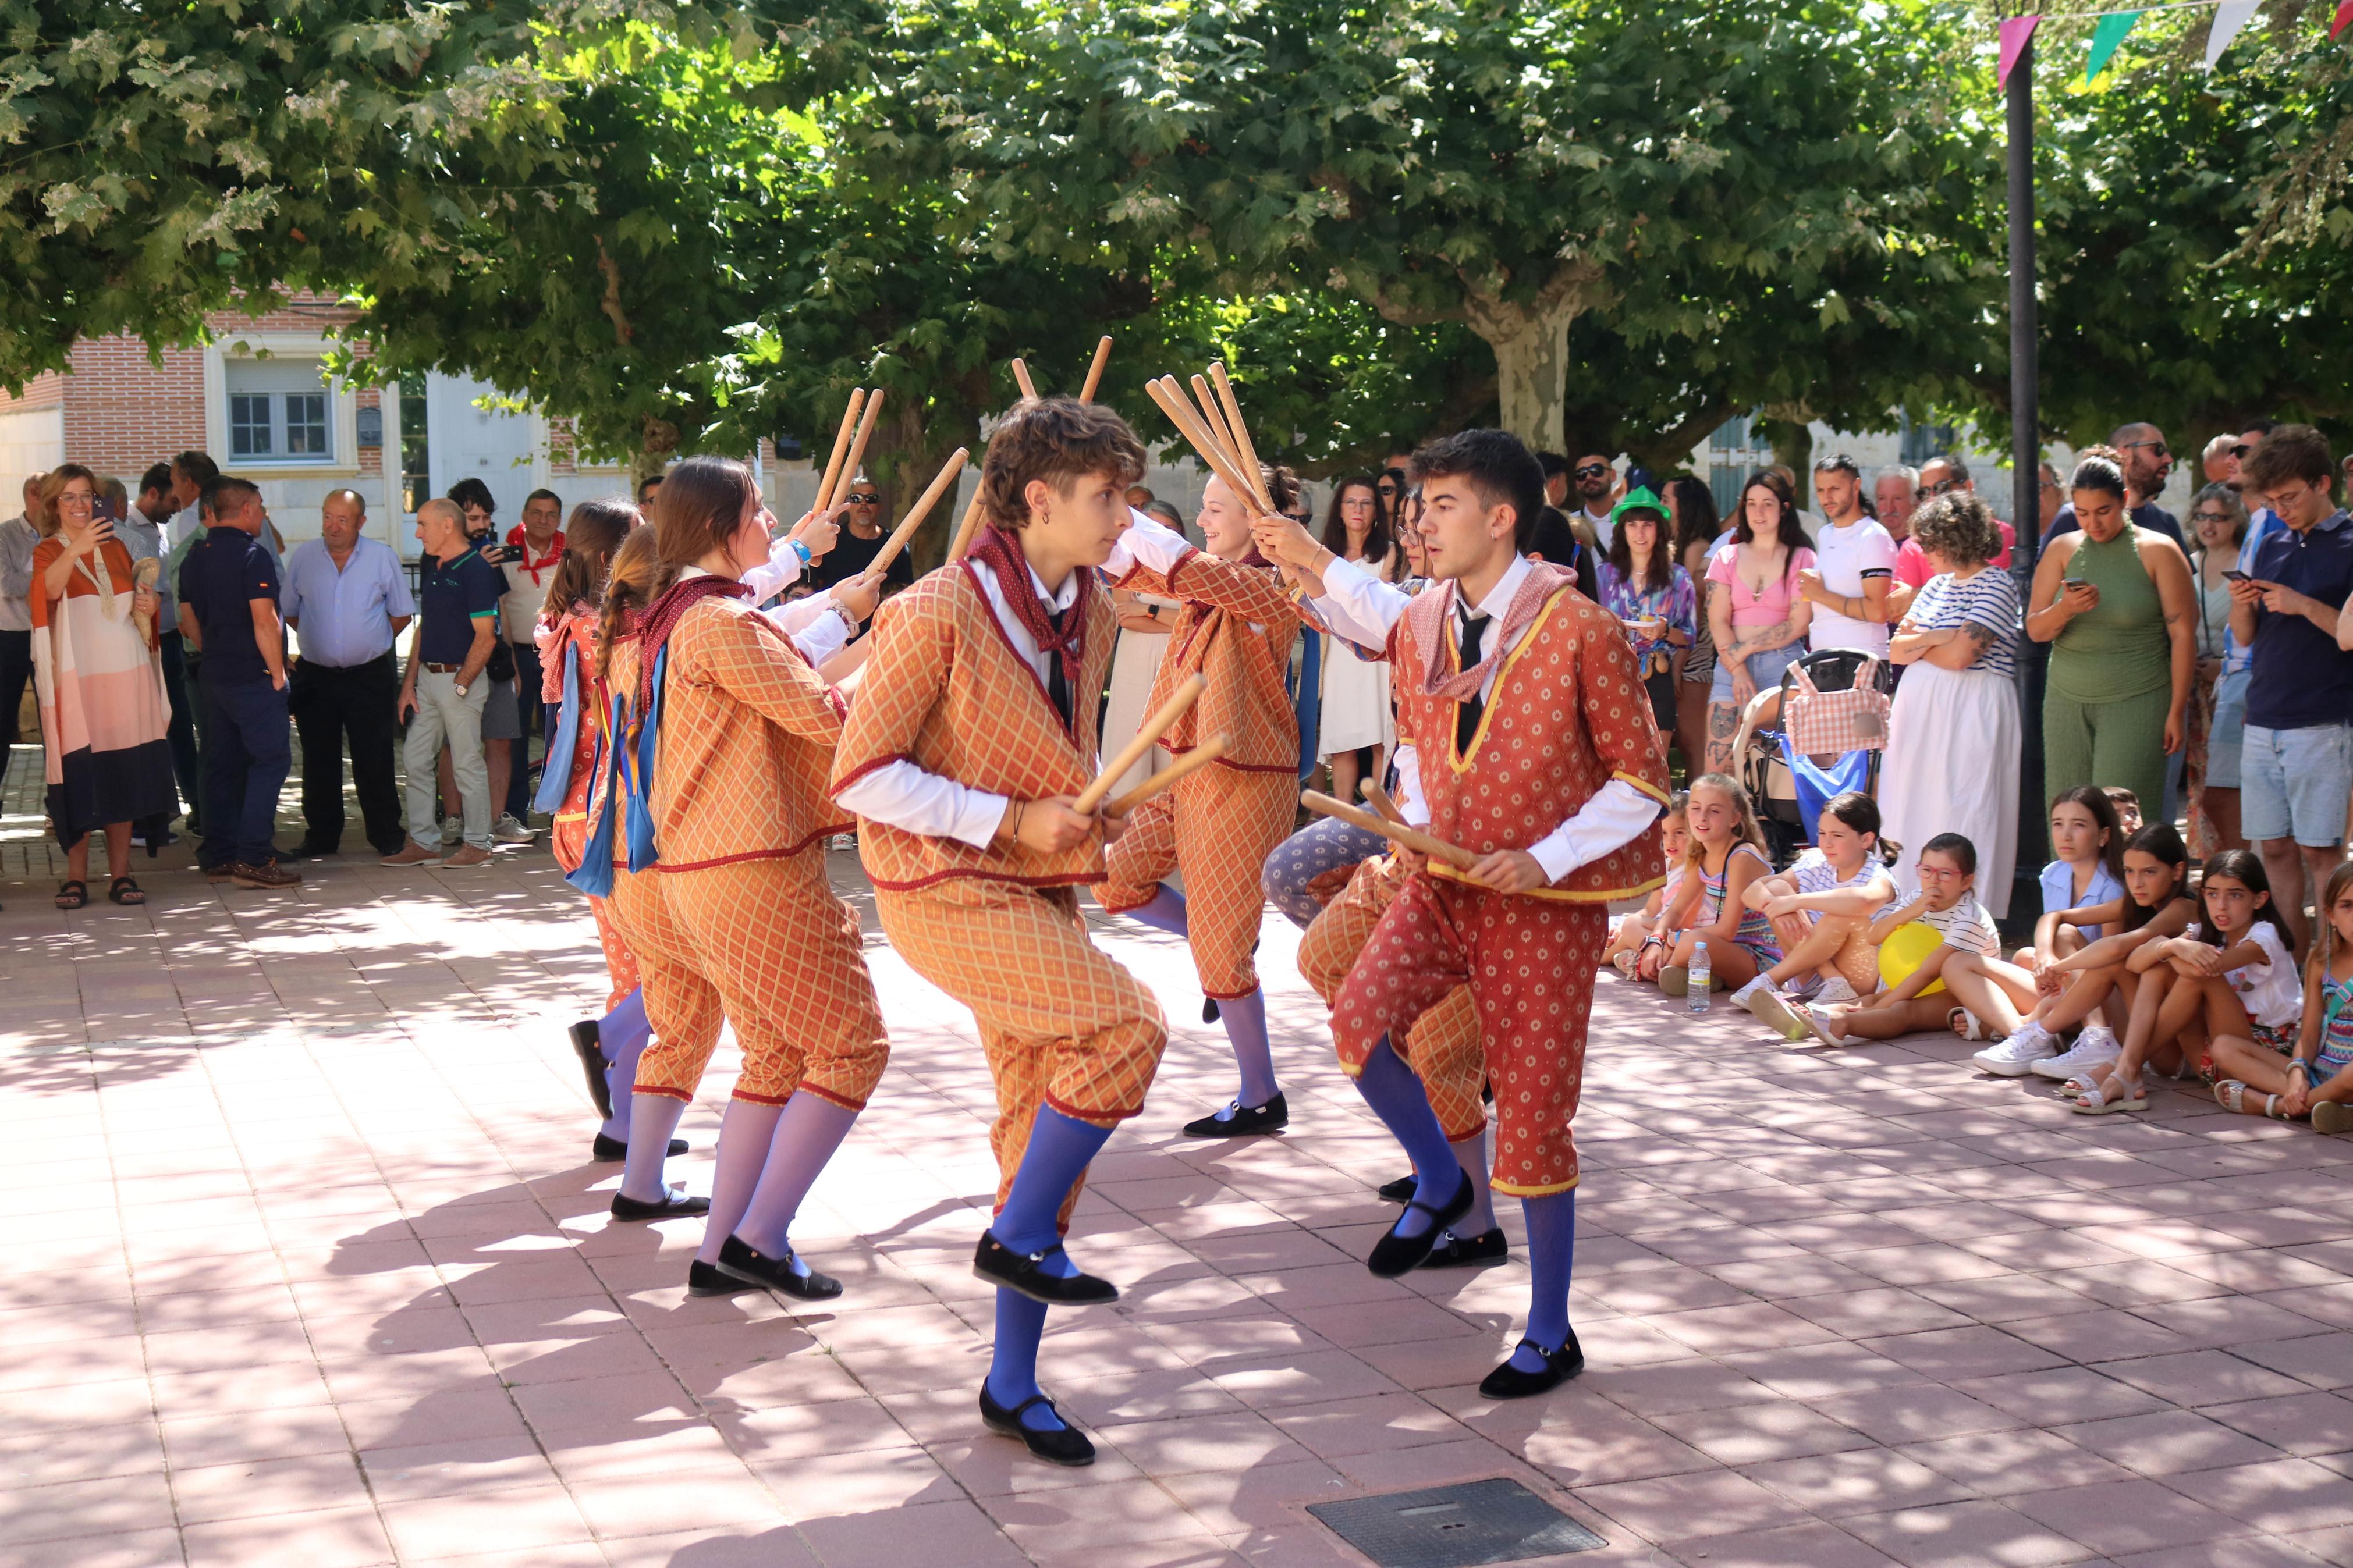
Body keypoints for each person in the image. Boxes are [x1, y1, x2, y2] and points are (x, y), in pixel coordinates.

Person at [1254, 426, 1670, 1401]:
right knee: (1356, 1022)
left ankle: (1549, 1330)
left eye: (1440, 506)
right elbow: (1391, 676)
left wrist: (1545, 855)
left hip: (1543, 905)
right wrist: (1425, 817)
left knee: (1532, 1120)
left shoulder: (1582, 631)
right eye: (1418, 505)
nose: (1420, 522)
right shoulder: (1425, 618)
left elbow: (1641, 780)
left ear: (1499, 518)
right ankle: (1441, 1180)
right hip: (1442, 882)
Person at [830, 396, 1167, 1467]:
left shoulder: (1091, 606)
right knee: (1126, 1030)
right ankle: (1016, 1236)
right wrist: (1013, 818)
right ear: (1038, 500)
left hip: (1037, 880)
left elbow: (1037, 745)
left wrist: (1081, 800)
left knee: (1036, 1129)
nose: (1123, 518)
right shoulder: (932, 609)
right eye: (1107, 497)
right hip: (940, 884)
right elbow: (863, 778)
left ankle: (1012, 1382)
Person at [592, 457, 889, 1305]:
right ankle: (759, 1235)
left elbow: (786, 675)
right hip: (748, 866)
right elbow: (827, 717)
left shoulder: (669, 620)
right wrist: (896, 659)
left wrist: (848, 627)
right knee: (851, 1045)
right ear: (724, 527)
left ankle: (723, 1244)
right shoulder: (716, 621)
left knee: (776, 1051)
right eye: (759, 513)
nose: (770, 526)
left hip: (700, 869)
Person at [1095, 471, 1303, 1137]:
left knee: (1221, 956)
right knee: (1113, 877)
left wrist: (1122, 515)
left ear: (1256, 519)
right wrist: (1082, 514)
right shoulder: (1207, 580)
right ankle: (1218, 939)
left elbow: (1182, 566)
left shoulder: (1275, 585)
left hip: (1242, 777)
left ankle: (1259, 1093)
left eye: (1215, 508)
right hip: (1187, 769)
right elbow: (1134, 566)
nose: (1203, 517)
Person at [2224, 425, 2353, 952]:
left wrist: (2300, 604)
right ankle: (2291, 970)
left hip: (2322, 720)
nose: (2280, 509)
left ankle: (2335, 970)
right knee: (2272, 850)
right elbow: (2247, 633)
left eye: (2290, 497)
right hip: (2263, 715)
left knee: (2322, 853)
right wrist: (2240, 598)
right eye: (2271, 500)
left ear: (2323, 483)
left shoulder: (2348, 543)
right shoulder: (2271, 540)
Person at [29, 465, 178, 906]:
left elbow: (137, 611)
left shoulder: (119, 549)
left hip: (125, 676)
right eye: (68, 498)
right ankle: (76, 876)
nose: (79, 505)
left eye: (85, 496)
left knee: (123, 774)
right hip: (77, 684)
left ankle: (120, 875)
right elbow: (45, 594)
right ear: (54, 505)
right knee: (80, 777)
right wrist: (76, 547)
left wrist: (149, 605)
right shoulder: (48, 551)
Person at [2027, 454, 2196, 825]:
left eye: (2103, 511)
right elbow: (2036, 630)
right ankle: (2071, 886)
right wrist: (2066, 609)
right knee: (2068, 819)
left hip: (2137, 698)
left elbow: (2183, 635)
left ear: (2124, 499)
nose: (2093, 523)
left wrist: (2177, 710)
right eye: (2083, 513)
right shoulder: (2062, 549)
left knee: (2123, 821)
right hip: (2066, 700)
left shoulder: (2159, 550)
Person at [1881, 492, 2022, 917]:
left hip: (1971, 710)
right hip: (1922, 717)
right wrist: (1935, 637)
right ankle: (1909, 902)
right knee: (1911, 802)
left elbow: (1963, 656)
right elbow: (1895, 650)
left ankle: (1963, 915)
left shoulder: (1997, 584)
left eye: (1931, 542)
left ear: (1955, 540)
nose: (1924, 552)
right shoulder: (1934, 588)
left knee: (1964, 803)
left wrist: (1925, 640)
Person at [2072, 849, 2297, 1114]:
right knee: (2159, 968)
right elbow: (2134, 964)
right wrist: (2172, 947)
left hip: (2264, 1053)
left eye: (2235, 895)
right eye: (2212, 894)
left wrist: (2167, 947)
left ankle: (2122, 1068)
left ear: (2259, 900)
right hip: (2216, 1058)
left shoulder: (2265, 935)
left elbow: (2211, 968)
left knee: (2193, 973)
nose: (2221, 906)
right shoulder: (2206, 930)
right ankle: (2126, 1071)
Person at [173, 475, 298, 890]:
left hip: (213, 675)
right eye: (261, 507)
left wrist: (219, 647)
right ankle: (255, 857)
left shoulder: (194, 557)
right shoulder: (253, 555)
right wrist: (278, 674)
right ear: (245, 509)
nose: (263, 515)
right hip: (253, 677)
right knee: (271, 760)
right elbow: (265, 620)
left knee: (218, 763)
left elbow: (188, 622)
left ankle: (221, 855)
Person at [279, 489, 414, 859]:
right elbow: (290, 611)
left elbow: (402, 614)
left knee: (374, 756)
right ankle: (321, 836)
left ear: (360, 522)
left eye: (342, 519)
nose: (333, 526)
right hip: (317, 676)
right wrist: (321, 638)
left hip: (368, 675)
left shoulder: (381, 558)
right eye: (327, 517)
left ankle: (386, 834)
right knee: (318, 758)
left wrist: (370, 639)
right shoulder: (305, 557)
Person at [1960, 787, 2128, 1070]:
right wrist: (2046, 962)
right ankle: (2025, 1035)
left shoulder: (2114, 887)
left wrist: (2057, 968)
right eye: (2058, 824)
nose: (2065, 835)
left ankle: (2069, 1033)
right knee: (1975, 960)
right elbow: (2046, 927)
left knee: (2063, 935)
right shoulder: (2053, 874)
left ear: (2103, 835)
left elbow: (2110, 966)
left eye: (2079, 825)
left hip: (2104, 1000)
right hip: (2065, 986)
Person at [384, 499, 501, 868]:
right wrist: (408, 686)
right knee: (416, 758)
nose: (417, 532)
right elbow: (425, 629)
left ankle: (479, 844)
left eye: (423, 524)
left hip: (458, 680)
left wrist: (462, 684)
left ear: (448, 526)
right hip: (429, 682)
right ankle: (423, 842)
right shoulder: (434, 567)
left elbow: (487, 637)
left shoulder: (476, 570)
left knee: (467, 763)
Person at [1731, 792, 1900, 1037]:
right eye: (1822, 833)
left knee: (1844, 912)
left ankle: (1770, 979)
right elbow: (1751, 892)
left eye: (1837, 836)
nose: (1826, 843)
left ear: (1866, 840)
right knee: (1776, 889)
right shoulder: (1816, 864)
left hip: (1860, 979)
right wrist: (1777, 902)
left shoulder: (1878, 875)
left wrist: (1795, 901)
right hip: (1812, 975)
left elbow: (1865, 901)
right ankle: (1831, 980)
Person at [1814, 834, 2001, 1043]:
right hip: (1921, 981)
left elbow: (1929, 973)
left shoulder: (1970, 918)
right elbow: (1874, 937)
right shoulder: (1916, 899)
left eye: (1946, 873)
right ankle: (1812, 1015)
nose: (1933, 881)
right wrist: (1913, 910)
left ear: (1966, 881)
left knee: (1902, 1010)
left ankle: (1842, 1024)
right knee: (1872, 999)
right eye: (1927, 870)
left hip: (1964, 995)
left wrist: (1876, 1010)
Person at [2223, 861, 2353, 1130]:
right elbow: (2308, 1035)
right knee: (2225, 1046)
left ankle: (2277, 1106)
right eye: (2347, 906)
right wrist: (2298, 1072)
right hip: (2321, 1073)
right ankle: (2322, 1104)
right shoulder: (2321, 962)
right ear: (2330, 915)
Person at [1704, 470, 1814, 771]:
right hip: (1730, 667)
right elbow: (1718, 622)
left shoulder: (1803, 558)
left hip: (1784, 665)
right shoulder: (1725, 557)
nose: (1758, 512)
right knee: (1719, 768)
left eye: (1767, 503)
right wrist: (1738, 668)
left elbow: (1799, 623)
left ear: (1785, 507)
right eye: (1751, 504)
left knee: (1779, 771)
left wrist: (1746, 648)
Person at [117, 463, 201, 824]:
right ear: (152, 493)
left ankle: (197, 805)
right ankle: (153, 811)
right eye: (171, 498)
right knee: (151, 728)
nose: (178, 505)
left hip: (171, 642)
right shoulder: (124, 534)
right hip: (142, 644)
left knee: (180, 725)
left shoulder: (166, 528)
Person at [1654, 773, 1778, 994]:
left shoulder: (1741, 857)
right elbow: (1677, 909)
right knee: (1639, 926)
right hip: (1722, 947)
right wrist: (1656, 940)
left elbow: (1728, 930)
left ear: (1734, 819)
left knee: (1693, 940)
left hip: (1757, 958)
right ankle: (1700, 974)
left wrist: (1673, 939)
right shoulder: (1701, 853)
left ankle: (1672, 966)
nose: (1702, 817)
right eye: (1695, 808)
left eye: (1714, 811)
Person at [1315, 475, 1397, 807]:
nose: (1358, 509)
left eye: (1366, 503)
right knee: (1343, 741)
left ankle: (1379, 820)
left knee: (1380, 738)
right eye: (1351, 502)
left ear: (1377, 511)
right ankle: (1342, 816)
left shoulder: (1390, 553)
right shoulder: (1324, 555)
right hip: (1339, 654)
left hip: (1377, 655)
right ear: (1339, 510)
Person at [1594, 486, 1695, 735]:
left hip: (1658, 675)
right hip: (1613, 676)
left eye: (1647, 524)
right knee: (1617, 768)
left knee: (1657, 768)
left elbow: (1689, 637)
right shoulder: (1603, 575)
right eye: (1632, 525)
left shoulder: (1679, 579)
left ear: (1659, 529)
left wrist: (1664, 632)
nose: (1640, 533)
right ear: (1622, 530)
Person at [2184, 483, 2250, 856]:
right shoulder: (2187, 564)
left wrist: (2222, 668)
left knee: (2229, 783)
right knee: (2199, 780)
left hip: (2233, 684)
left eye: (2219, 517)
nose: (2209, 525)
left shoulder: (2246, 563)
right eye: (2202, 516)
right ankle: (2211, 862)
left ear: (2235, 520)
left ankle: (2237, 861)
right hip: (2193, 688)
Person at [496, 488, 565, 833]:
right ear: (524, 515)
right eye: (536, 513)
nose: (543, 520)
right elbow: (499, 607)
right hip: (520, 655)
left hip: (558, 656)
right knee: (517, 734)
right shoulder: (505, 554)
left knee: (559, 732)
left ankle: (559, 810)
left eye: (551, 514)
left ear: (559, 520)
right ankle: (515, 811)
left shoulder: (570, 554)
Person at [1796, 454, 1897, 655]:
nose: (1827, 498)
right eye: (1820, 490)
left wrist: (1822, 595)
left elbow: (1878, 611)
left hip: (1861, 659)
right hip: (1822, 656)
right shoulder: (1825, 533)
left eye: (1835, 488)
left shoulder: (1873, 536)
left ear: (1856, 486)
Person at [2040, 424, 2185, 549]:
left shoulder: (2166, 522)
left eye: (2103, 512)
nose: (2168, 459)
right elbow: (2043, 579)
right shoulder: (2070, 518)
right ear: (2124, 455)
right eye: (2157, 450)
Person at [1663, 476, 1722, 778]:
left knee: (1694, 743)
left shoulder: (1696, 548)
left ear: (1685, 506)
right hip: (1683, 656)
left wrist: (1680, 662)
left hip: (1693, 659)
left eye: (1666, 500)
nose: (1660, 508)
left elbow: (1694, 613)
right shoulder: (1684, 545)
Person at [1894, 456, 2014, 590]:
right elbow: (1898, 605)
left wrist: (1914, 596)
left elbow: (1984, 586)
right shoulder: (1912, 546)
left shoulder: (1998, 534)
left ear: (1967, 487)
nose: (1933, 497)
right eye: (1925, 492)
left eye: (1941, 487)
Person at [808, 473, 915, 605]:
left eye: (871, 498)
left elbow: (905, 594)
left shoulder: (896, 546)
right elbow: (815, 589)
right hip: (835, 620)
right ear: (848, 504)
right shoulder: (829, 541)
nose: (864, 504)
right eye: (857, 498)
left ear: (880, 505)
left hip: (880, 624)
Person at [1, 472, 44, 790]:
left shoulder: (61, 536)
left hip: (50, 637)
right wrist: (47, 583)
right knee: (2, 723)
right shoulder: (4, 535)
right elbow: (5, 584)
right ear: (34, 493)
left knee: (55, 724)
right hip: (10, 639)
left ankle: (57, 809)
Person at [1568, 449, 1619, 550]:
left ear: (1612, 475)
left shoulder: (1631, 521)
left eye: (1596, 470)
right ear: (1577, 483)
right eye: (1581, 474)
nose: (1589, 477)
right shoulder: (1568, 524)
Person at [1872, 465, 1919, 545]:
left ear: (1915, 503)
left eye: (1898, 498)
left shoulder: (1924, 549)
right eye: (1882, 499)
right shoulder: (1866, 544)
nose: (1889, 509)